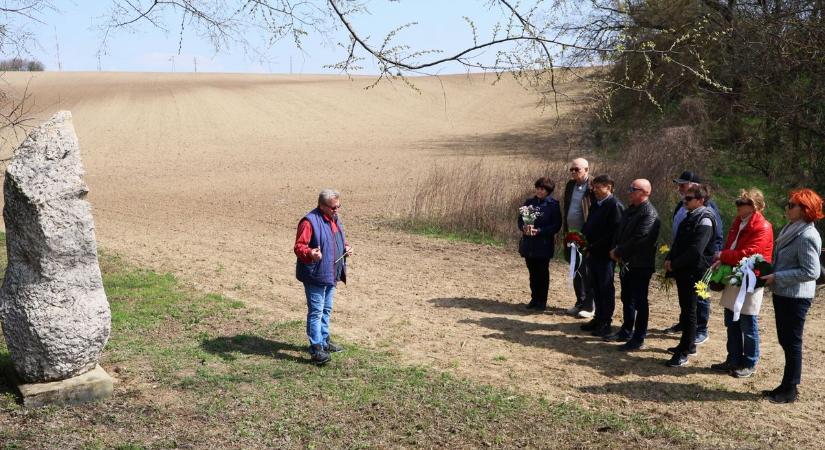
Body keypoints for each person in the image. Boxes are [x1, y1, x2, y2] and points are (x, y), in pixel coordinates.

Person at [760, 189, 823, 403]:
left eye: (792, 205)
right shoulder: (792, 228)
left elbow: (811, 272)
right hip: (784, 293)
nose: (787, 208)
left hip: (796, 297)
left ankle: (791, 389)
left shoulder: (807, 235)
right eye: (788, 204)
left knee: (792, 342)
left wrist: (778, 276)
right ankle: (786, 384)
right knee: (786, 340)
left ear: (805, 210)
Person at [709, 189, 773, 378]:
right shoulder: (739, 222)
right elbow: (733, 246)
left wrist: (722, 256)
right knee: (731, 320)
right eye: (738, 201)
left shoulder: (763, 226)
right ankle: (734, 359)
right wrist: (724, 259)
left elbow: (750, 254)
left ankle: (749, 362)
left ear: (754, 207)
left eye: (742, 202)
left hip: (751, 278)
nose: (737, 205)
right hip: (735, 275)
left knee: (747, 321)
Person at [663, 171, 724, 345]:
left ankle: (701, 329)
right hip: (684, 259)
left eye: (683, 184)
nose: (680, 188)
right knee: (687, 298)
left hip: (702, 261)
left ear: (695, 186)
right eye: (679, 184)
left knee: (701, 295)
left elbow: (716, 235)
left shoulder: (708, 210)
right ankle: (686, 325)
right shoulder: (682, 204)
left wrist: (713, 258)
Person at [294, 189, 353, 365]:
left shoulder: (334, 219)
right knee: (316, 312)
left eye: (338, 206)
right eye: (334, 207)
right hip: (315, 274)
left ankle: (324, 341)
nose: (337, 210)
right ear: (322, 206)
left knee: (326, 310)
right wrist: (310, 253)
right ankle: (316, 348)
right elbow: (299, 247)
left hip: (331, 272)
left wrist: (347, 247)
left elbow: (339, 239)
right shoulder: (309, 222)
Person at [606, 179, 660, 350]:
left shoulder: (649, 213)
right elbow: (619, 232)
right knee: (627, 297)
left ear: (645, 192)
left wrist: (619, 251)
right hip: (626, 262)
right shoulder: (631, 210)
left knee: (639, 301)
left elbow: (641, 239)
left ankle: (639, 337)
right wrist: (616, 249)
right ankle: (626, 330)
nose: (629, 191)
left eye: (633, 189)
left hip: (640, 265)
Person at [581, 175, 624, 337]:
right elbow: (588, 224)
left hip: (605, 254)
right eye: (594, 187)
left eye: (599, 187)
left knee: (605, 288)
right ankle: (598, 318)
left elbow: (614, 233)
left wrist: (594, 246)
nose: (595, 190)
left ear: (609, 187)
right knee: (595, 286)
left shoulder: (615, 205)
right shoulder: (596, 204)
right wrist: (582, 239)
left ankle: (606, 322)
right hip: (592, 251)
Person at [518, 177, 563, 312]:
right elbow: (521, 220)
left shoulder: (553, 205)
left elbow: (556, 225)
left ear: (548, 191)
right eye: (538, 188)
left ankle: (542, 301)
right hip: (529, 243)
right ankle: (534, 298)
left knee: (542, 273)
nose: (539, 191)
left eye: (542, 189)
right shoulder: (529, 202)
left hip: (543, 243)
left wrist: (540, 231)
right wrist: (523, 228)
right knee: (532, 273)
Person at [563, 158, 597, 318]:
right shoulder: (570, 185)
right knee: (575, 269)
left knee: (588, 270)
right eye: (572, 169)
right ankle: (580, 302)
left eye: (577, 169)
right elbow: (566, 207)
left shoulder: (594, 186)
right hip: (571, 234)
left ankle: (590, 306)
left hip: (587, 236)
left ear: (587, 169)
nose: (574, 172)